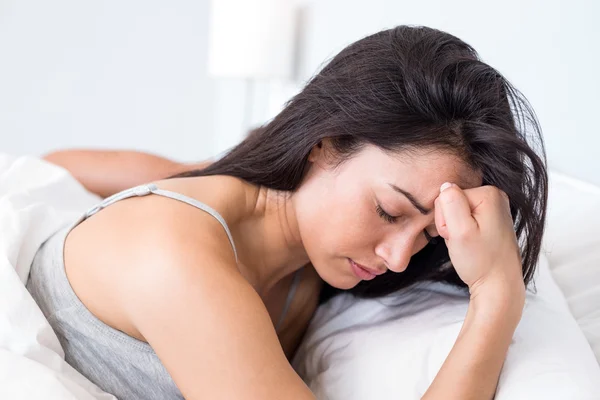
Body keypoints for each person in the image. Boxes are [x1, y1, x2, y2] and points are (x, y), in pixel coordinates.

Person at [29, 25, 547, 400]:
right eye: (389, 212)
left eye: (430, 234)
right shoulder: (175, 256)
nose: (397, 259)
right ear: (323, 142)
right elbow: (39, 172)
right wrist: (497, 299)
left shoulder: (301, 247)